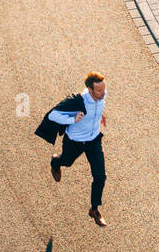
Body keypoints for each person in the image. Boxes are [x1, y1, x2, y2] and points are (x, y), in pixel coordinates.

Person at [37, 72, 108, 227]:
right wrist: (72, 119)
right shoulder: (77, 101)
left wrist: (101, 114)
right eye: (99, 91)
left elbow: (99, 104)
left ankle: (94, 209)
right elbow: (53, 115)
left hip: (94, 141)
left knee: (100, 176)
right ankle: (55, 162)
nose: (103, 93)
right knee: (67, 162)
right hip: (75, 141)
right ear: (90, 90)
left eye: (104, 89)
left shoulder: (102, 95)